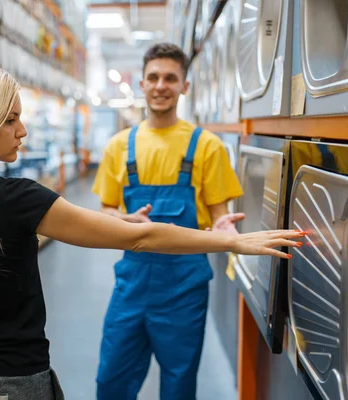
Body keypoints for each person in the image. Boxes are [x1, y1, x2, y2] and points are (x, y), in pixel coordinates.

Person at [0, 59, 304, 400]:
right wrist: (230, 240)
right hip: (10, 384)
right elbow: (140, 237)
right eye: (11, 120)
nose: (23, 131)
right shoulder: (17, 200)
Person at [91, 43, 248, 399]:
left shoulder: (207, 147)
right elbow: (105, 211)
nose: (161, 85)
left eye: (170, 78)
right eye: (153, 77)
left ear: (184, 87)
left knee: (179, 383)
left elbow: (221, 215)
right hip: (131, 285)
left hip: (184, 288)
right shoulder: (119, 146)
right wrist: (120, 219)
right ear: (142, 84)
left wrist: (224, 229)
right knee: (111, 380)